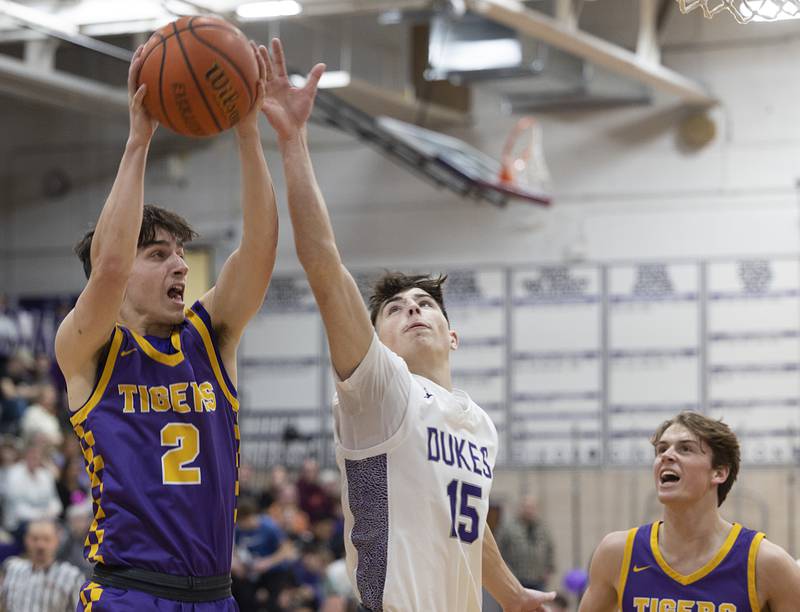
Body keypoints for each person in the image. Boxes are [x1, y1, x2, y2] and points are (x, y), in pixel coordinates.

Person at [259, 38, 555, 612]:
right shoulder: (380, 389)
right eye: (394, 309)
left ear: (452, 334)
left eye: (425, 305)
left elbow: (463, 519)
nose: (413, 310)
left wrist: (513, 595)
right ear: (375, 342)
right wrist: (293, 141)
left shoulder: (479, 426)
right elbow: (322, 263)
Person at [54, 42, 277, 609]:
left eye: (180, 253)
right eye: (156, 254)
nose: (180, 264)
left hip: (215, 596)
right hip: (130, 593)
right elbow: (107, 267)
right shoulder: (88, 348)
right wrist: (140, 138)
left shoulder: (209, 337)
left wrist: (248, 132)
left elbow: (260, 250)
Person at [579, 411, 800, 611]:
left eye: (685, 448)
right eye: (661, 449)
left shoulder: (767, 563)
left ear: (719, 473)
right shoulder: (617, 553)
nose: (666, 455)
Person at [0, 518, 85, 611]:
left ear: (57, 541)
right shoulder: (12, 569)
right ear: (26, 540)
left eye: (46, 539)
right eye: (35, 539)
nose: (40, 545)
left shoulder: (72, 576)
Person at [496, 495, 555, 591]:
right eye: (526, 507)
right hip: (516, 579)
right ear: (520, 508)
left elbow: (550, 549)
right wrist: (506, 572)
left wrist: (548, 570)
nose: (529, 510)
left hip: (538, 580)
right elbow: (498, 550)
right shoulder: (508, 529)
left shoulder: (543, 529)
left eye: (532, 507)